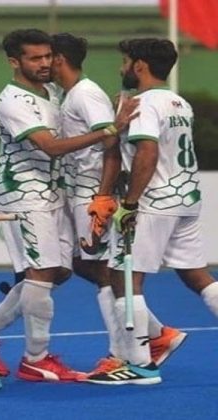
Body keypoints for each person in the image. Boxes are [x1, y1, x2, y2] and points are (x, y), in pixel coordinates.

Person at [0, 28, 137, 382]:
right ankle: (35, 358)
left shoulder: (53, 92)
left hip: (56, 193)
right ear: (14, 62)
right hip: (24, 194)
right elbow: (51, 147)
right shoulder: (12, 100)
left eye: (47, 56)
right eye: (35, 58)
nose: (44, 63)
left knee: (60, 272)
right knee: (41, 273)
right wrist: (109, 129)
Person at [86, 38, 218, 385]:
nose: (122, 68)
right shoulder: (179, 102)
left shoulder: (143, 104)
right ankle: (142, 359)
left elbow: (147, 152)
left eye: (125, 61)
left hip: (153, 202)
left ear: (139, 65)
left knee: (123, 277)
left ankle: (140, 365)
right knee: (197, 276)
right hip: (185, 198)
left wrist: (130, 203)